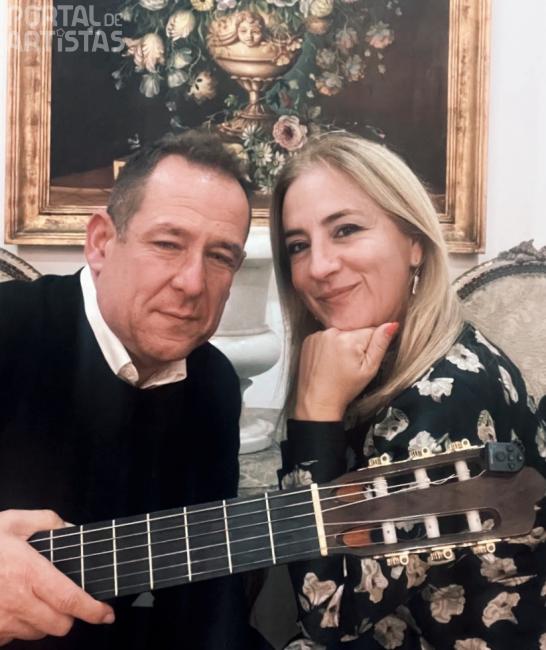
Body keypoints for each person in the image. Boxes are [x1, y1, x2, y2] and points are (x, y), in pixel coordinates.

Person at [269, 132, 546, 649]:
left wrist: (314, 412)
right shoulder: (392, 359)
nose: (319, 267)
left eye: (346, 230)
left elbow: (330, 615)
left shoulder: (448, 393)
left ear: (414, 242)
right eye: (299, 246)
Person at [0, 130, 264, 649]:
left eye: (220, 257)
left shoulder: (213, 383)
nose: (192, 283)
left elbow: (205, 590)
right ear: (101, 242)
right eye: (167, 244)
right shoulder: (9, 329)